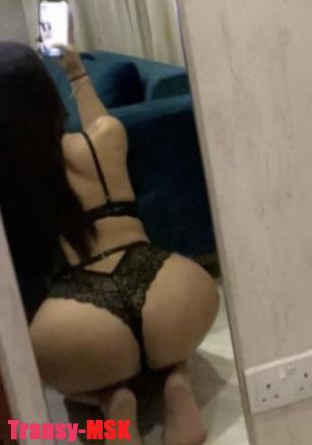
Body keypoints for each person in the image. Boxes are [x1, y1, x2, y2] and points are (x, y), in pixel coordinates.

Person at [0, 41, 219, 445]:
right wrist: (76, 71)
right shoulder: (102, 141)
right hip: (173, 289)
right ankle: (176, 378)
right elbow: (100, 119)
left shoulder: (13, 180)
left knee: (53, 386)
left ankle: (107, 402)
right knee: (167, 347)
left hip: (81, 317)